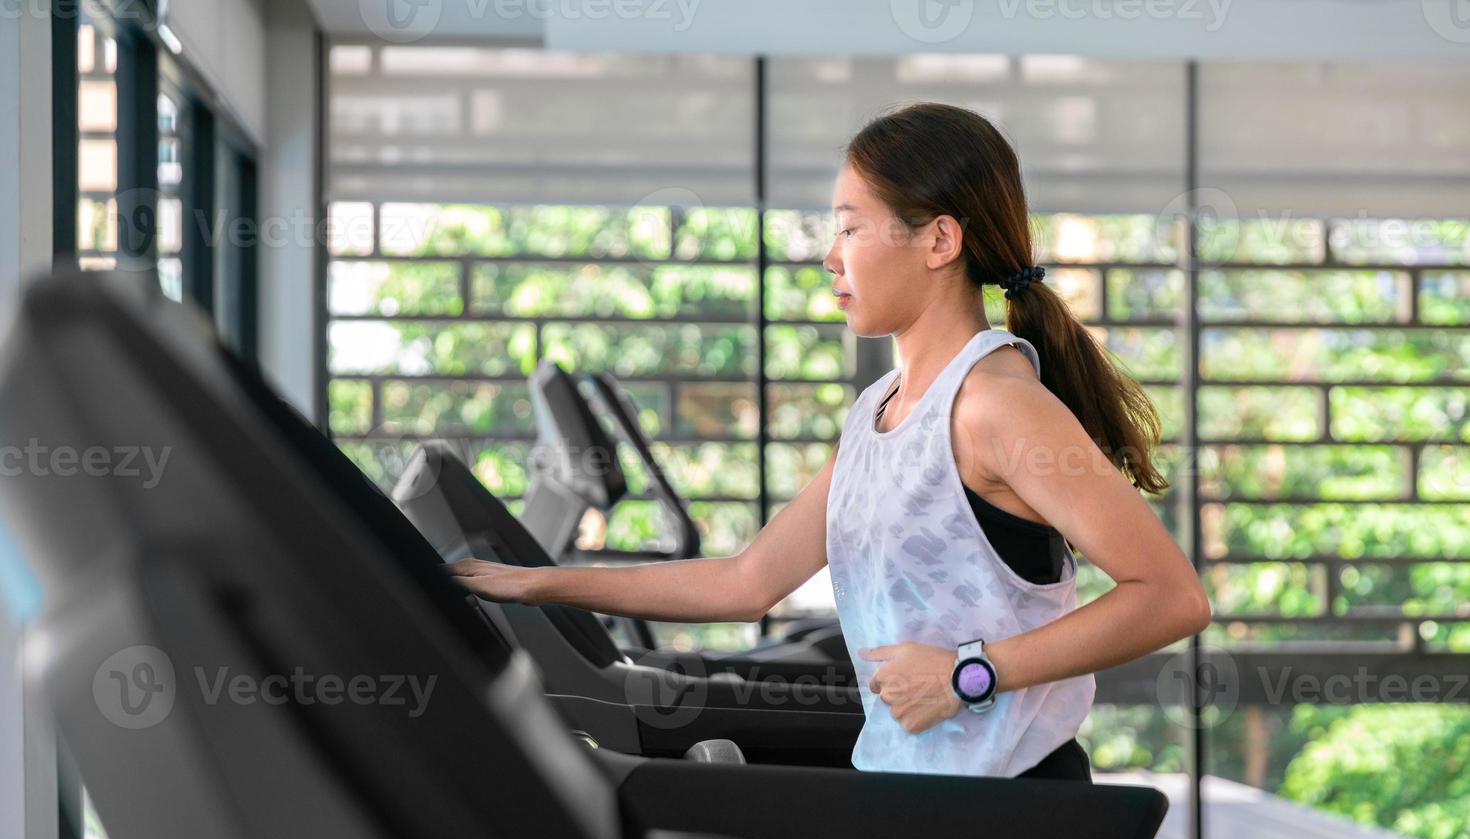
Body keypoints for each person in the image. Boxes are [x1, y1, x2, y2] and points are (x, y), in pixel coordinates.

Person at [447, 102, 1212, 780]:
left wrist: (967, 675)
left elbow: (1171, 597)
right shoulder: (879, 410)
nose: (829, 256)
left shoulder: (998, 406)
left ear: (940, 240)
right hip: (908, 786)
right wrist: (539, 583)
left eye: (849, 226)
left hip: (1009, 803)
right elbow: (746, 582)